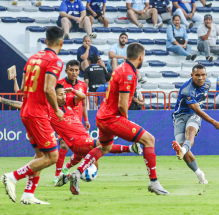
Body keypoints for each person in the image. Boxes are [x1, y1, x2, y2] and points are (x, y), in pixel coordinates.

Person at [0, 85, 142, 187]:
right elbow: (24, 106)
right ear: (53, 95)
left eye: (63, 94)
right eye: (60, 94)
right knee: (102, 145)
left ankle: (65, 176)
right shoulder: (49, 108)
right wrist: (2, 100)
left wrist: (71, 90)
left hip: (83, 138)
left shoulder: (68, 102)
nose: (63, 96)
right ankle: (131, 148)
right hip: (76, 142)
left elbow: (82, 97)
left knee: (96, 155)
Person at [68, 43, 169, 195]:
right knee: (149, 140)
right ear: (140, 57)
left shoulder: (121, 68)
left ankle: (78, 172)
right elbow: (122, 105)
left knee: (104, 147)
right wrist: (126, 121)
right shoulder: (128, 73)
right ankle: (154, 182)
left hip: (102, 116)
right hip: (112, 118)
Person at [0, 26, 65, 205]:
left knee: (40, 156)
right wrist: (58, 110)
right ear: (62, 42)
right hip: (38, 113)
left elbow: (22, 88)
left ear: (45, 41)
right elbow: (48, 89)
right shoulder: (56, 61)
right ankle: (12, 177)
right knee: (52, 157)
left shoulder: (32, 58)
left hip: (26, 111)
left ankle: (28, 195)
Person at [171, 64, 219, 184]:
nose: (200, 78)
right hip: (180, 116)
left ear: (206, 75)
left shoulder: (208, 83)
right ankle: (200, 174)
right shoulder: (187, 90)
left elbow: (196, 111)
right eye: (197, 75)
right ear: (192, 75)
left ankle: (183, 149)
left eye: (203, 75)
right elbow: (197, 109)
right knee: (182, 147)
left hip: (194, 115)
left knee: (190, 133)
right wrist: (214, 122)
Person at [54, 60, 90, 182]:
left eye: (76, 70)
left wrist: (86, 119)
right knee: (63, 145)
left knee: (82, 150)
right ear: (66, 71)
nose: (74, 73)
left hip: (77, 123)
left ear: (79, 71)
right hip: (62, 121)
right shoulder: (59, 84)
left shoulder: (83, 85)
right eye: (71, 70)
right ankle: (57, 175)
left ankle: (66, 168)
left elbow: (84, 104)